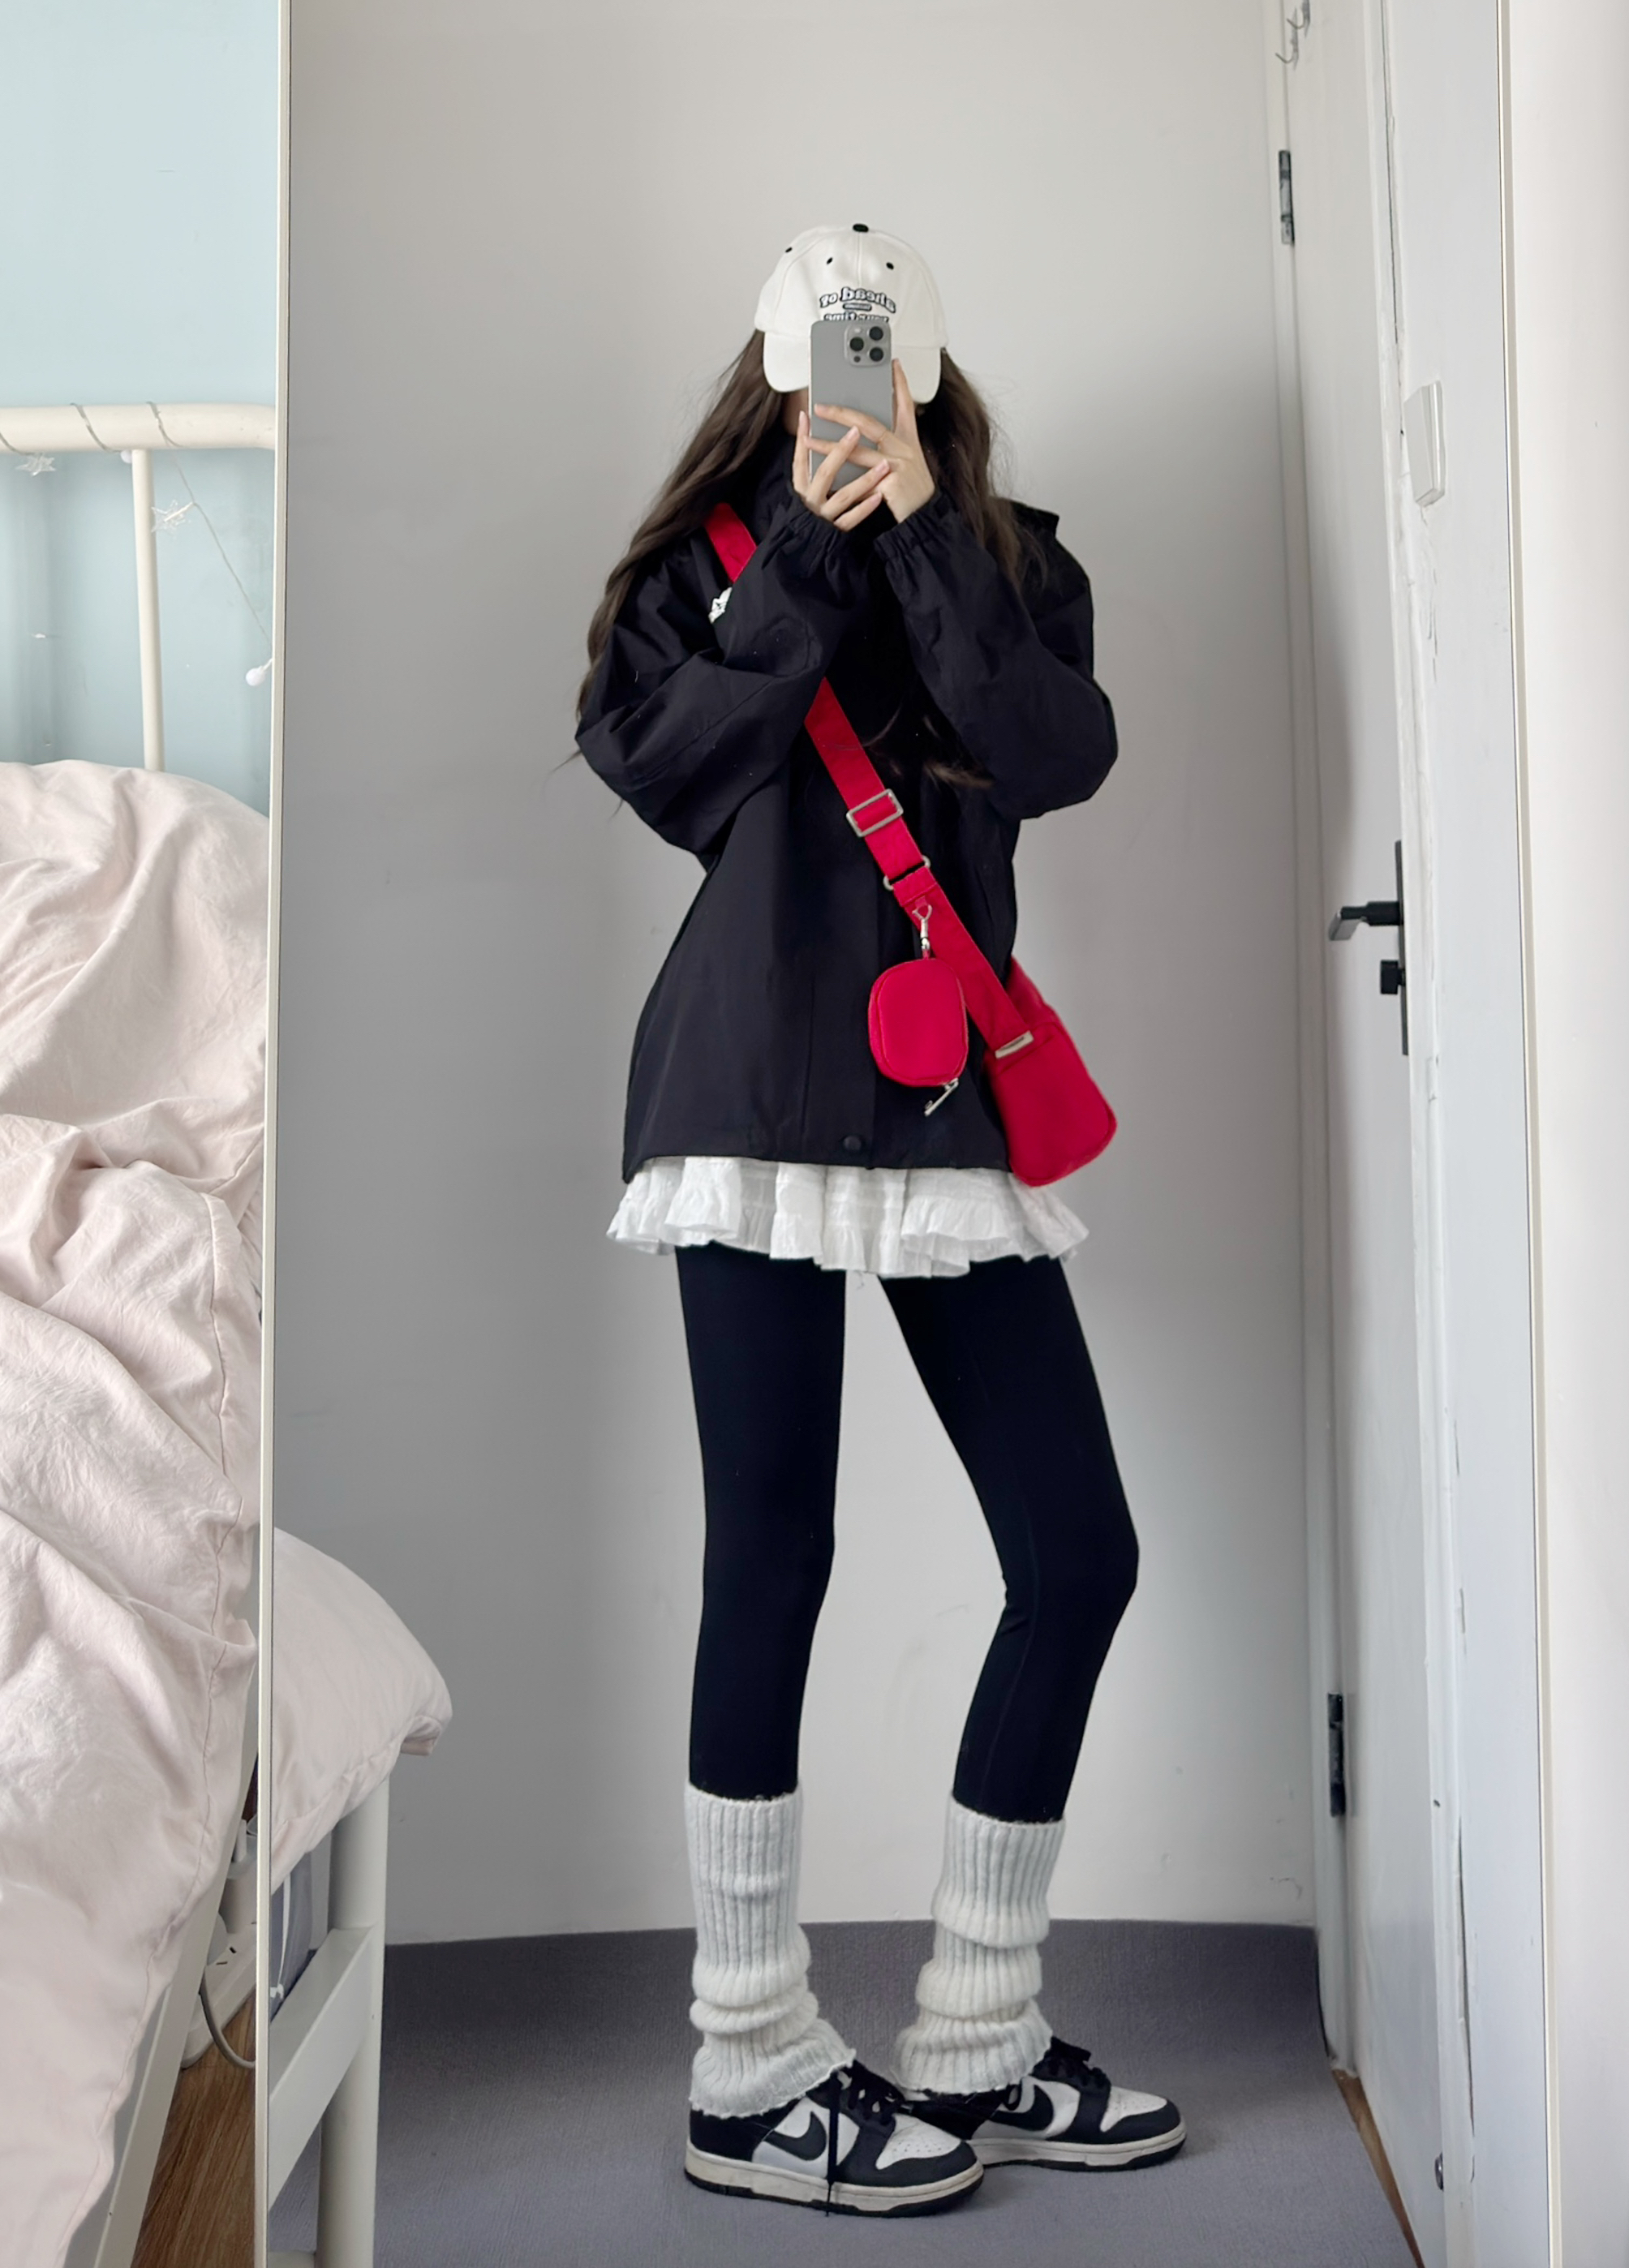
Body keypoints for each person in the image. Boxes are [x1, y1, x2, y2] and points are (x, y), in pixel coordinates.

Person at [577, 223, 1184, 2219]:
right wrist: (807, 558)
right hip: (748, 1089)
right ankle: (748, 2062)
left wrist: (922, 535)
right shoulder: (701, 569)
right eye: (824, 356)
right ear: (775, 364)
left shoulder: (1009, 559)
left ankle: (979, 2032)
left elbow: (1056, 755)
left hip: (939, 1102)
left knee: (1075, 1553)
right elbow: (667, 776)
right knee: (774, 1555)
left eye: (881, 353)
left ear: (920, 367)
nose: (851, 385)